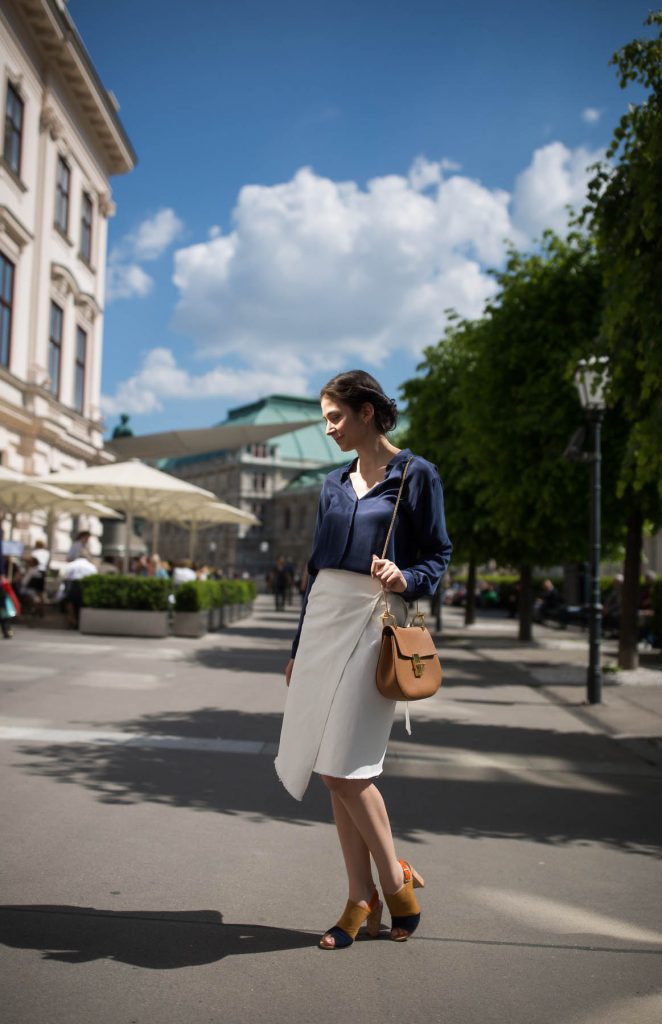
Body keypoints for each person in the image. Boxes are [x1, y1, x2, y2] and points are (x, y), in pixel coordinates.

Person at [274, 370, 452, 950]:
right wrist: (299, 647)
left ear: (367, 412)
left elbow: (438, 553)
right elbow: (313, 572)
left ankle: (390, 879)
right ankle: (362, 896)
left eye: (336, 417)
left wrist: (409, 576)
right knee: (332, 767)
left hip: (375, 620)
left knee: (345, 765)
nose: (328, 429)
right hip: (324, 621)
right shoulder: (332, 483)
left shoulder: (415, 475)